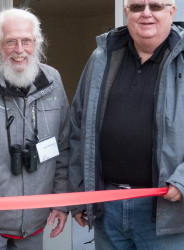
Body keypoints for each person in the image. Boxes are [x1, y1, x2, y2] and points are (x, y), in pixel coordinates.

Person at [69, 0, 184, 249]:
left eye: (155, 6)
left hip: (166, 212)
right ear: (126, 13)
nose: (146, 14)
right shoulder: (102, 57)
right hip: (107, 207)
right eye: (136, 7)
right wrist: (80, 193)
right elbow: (78, 128)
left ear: (171, 12)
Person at [0, 8, 70, 250]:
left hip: (35, 221)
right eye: (11, 41)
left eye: (26, 41)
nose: (19, 50)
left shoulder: (53, 81)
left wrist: (62, 201)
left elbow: (63, 145)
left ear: (37, 43)